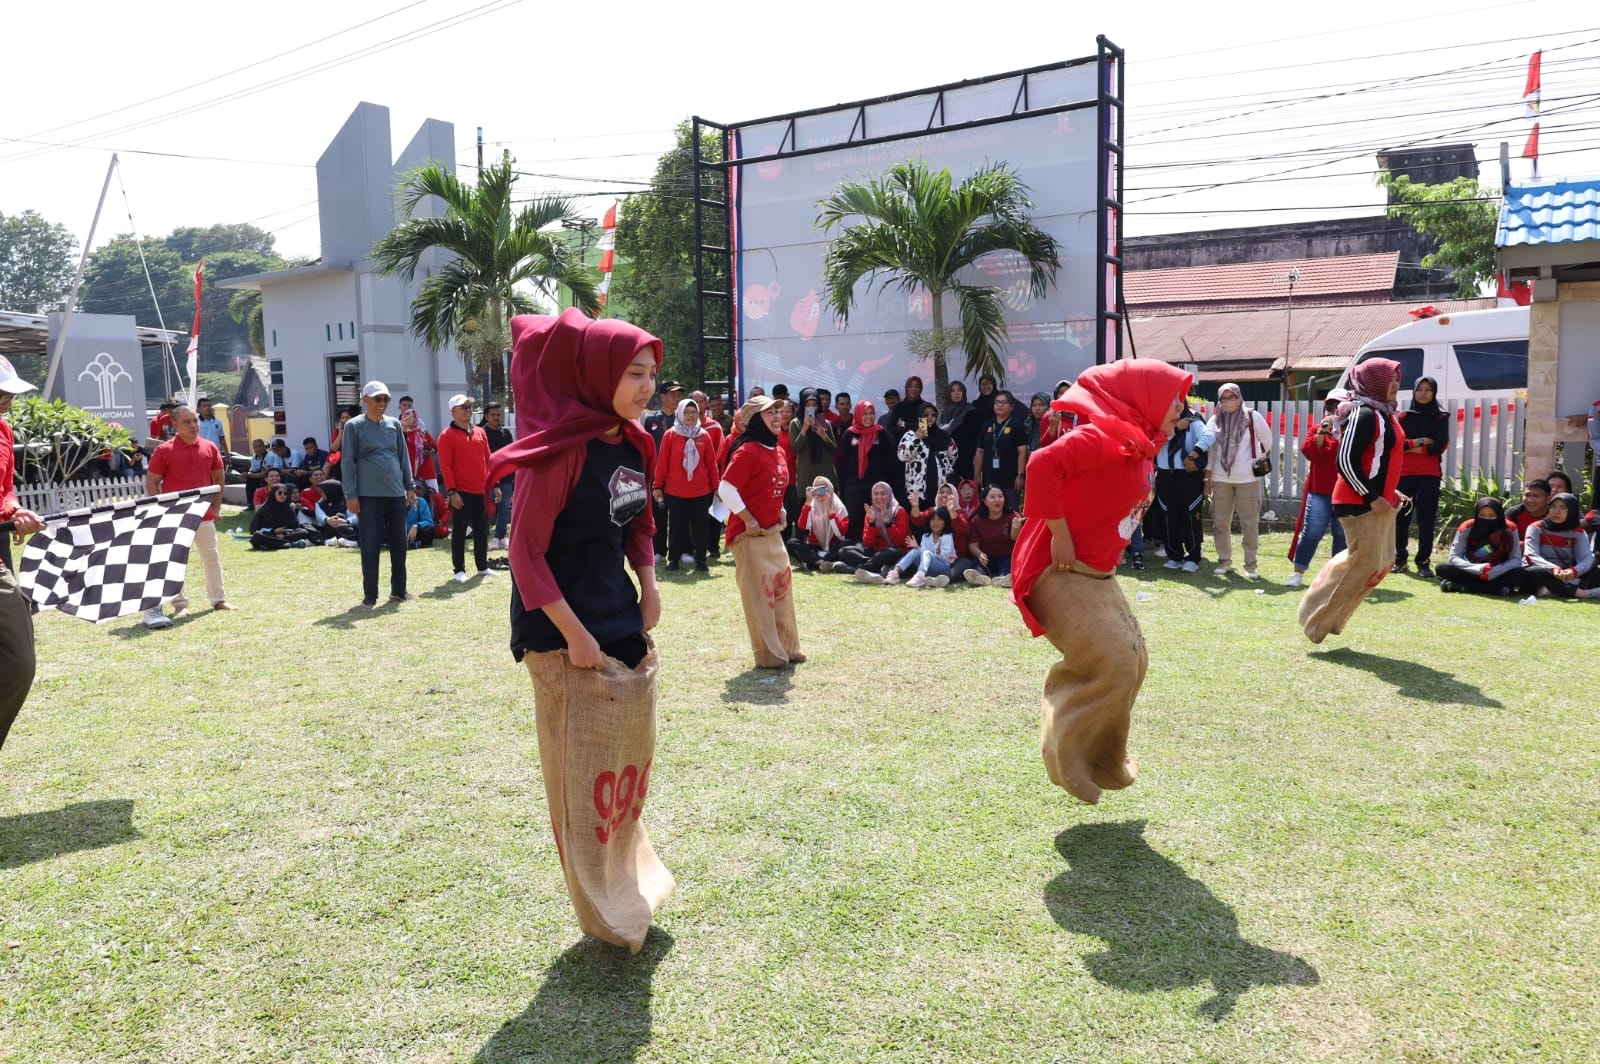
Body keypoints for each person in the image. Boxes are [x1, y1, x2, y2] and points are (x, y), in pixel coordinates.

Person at [486, 308, 671, 954]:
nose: (647, 387)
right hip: (559, 628)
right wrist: (574, 634)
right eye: (633, 373)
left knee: (624, 766)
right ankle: (605, 907)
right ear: (596, 375)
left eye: (651, 374)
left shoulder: (633, 443)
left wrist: (648, 585)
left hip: (615, 613)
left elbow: (639, 523)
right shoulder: (559, 453)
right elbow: (524, 554)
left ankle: (629, 877)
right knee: (582, 778)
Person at [1010, 359, 1190, 804]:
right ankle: (1068, 761)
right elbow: (1040, 465)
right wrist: (1061, 538)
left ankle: (1105, 760)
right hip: (1060, 570)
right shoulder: (1105, 437)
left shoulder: (1141, 442)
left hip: (1097, 573)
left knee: (1135, 661)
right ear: (1145, 398)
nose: (1182, 406)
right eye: (1174, 397)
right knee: (1113, 663)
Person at [1298, 358, 1406, 644]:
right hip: (1358, 501)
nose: (1395, 384)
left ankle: (1331, 620)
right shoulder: (1365, 414)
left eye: (1397, 378)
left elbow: (1382, 461)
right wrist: (1372, 497)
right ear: (1374, 383)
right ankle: (1315, 620)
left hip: (1378, 500)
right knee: (1364, 562)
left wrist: (1391, 492)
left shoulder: (1386, 414)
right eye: (1389, 379)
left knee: (1376, 562)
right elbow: (1346, 461)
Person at [718, 395, 805, 668]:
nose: (778, 416)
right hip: (750, 537)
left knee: (782, 591)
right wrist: (748, 520)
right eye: (769, 413)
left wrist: (778, 508)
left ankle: (789, 648)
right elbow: (726, 489)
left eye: (778, 411)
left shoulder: (776, 449)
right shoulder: (747, 450)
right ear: (756, 419)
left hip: (772, 532)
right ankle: (770, 656)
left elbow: (776, 484)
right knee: (761, 598)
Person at [142, 404, 234, 629]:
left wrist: (217, 508)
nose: (194, 425)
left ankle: (218, 600)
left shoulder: (210, 447)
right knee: (176, 561)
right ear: (174, 425)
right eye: (187, 422)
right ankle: (180, 604)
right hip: (175, 516)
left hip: (204, 515)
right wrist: (162, 510)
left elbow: (218, 480)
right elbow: (152, 482)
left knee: (211, 556)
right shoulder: (164, 450)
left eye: (195, 421)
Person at [0, 356, 45, 754]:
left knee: (18, 662)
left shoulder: (4, 429)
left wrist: (15, 511)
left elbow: (6, 488)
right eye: (2, 394)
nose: (8, 402)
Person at [345, 381, 414, 607]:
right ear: (366, 399)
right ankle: (370, 595)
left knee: (399, 543)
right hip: (368, 495)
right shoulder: (354, 426)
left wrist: (409, 486)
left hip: (395, 492)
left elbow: (403, 457)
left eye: (386, 399)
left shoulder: (394, 425)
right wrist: (351, 494)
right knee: (370, 545)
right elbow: (347, 462)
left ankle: (399, 590)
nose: (382, 403)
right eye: (378, 399)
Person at [1204, 383, 1272, 578]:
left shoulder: (1252, 417)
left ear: (1239, 397)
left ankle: (1251, 564)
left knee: (1250, 522)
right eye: (1223, 399)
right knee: (1220, 522)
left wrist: (1252, 457)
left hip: (1248, 479)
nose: (1228, 402)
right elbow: (1209, 450)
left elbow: (1267, 441)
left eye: (1231, 397)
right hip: (1220, 478)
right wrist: (1207, 478)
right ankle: (1224, 560)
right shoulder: (1214, 420)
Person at [1286, 397, 1348, 587]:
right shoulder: (1317, 429)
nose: (1333, 411)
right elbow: (1310, 451)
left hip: (1346, 492)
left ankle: (1337, 578)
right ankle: (1298, 573)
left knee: (1342, 535)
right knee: (1312, 532)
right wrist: (1323, 430)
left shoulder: (1352, 430)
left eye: (1338, 407)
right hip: (1320, 490)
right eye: (1330, 407)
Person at [437, 393, 499, 584]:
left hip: (480, 490)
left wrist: (494, 484)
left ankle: (482, 566)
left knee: (482, 529)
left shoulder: (480, 432)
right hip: (461, 491)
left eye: (469, 406)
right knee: (460, 530)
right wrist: (452, 491)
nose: (468, 410)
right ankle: (459, 569)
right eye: (463, 407)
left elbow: (488, 459)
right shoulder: (446, 436)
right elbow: (445, 466)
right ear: (453, 411)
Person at [653, 398, 717, 572]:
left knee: (701, 528)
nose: (690, 416)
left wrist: (716, 487)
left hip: (701, 491)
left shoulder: (703, 435)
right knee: (676, 527)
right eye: (687, 412)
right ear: (680, 413)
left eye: (693, 412)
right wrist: (657, 486)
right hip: (675, 491)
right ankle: (673, 559)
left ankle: (701, 560)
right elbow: (662, 463)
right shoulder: (671, 435)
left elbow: (711, 464)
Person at [1394, 376, 1449, 577]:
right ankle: (1400, 559)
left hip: (1430, 474)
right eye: (1420, 389)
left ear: (1434, 393)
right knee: (1401, 517)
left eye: (1428, 389)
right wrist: (1421, 441)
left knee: (1426, 520)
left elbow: (1439, 446)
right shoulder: (1402, 417)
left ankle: (1423, 562)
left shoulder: (1441, 418)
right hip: (1404, 473)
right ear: (1414, 392)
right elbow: (1398, 445)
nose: (1423, 393)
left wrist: (1413, 447)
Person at [1154, 398, 1212, 573]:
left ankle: (1193, 556)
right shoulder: (1158, 421)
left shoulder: (1192, 419)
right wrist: (1174, 429)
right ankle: (1174, 555)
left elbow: (1209, 436)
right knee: (1167, 516)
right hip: (1165, 474)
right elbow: (1152, 440)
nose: (1176, 406)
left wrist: (1194, 455)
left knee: (1190, 516)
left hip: (1187, 475)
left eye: (1178, 402)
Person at [1437, 497, 1523, 595]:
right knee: (1442, 568)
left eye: (1491, 516)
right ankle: (1496, 590)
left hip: (1498, 571)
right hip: (1470, 569)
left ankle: (1463, 588)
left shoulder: (1510, 528)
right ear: (1476, 515)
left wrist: (1494, 571)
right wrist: (1477, 569)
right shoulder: (1467, 527)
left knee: (1520, 574)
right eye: (1482, 515)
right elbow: (1454, 557)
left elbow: (1516, 559)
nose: (1487, 519)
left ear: (1499, 516)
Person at [838, 400, 897, 541]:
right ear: (858, 414)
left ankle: (874, 544)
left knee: (876, 515)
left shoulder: (880, 433)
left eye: (871, 413)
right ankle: (853, 545)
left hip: (876, 484)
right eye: (864, 414)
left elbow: (888, 454)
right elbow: (845, 456)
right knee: (855, 514)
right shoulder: (849, 434)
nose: (868, 417)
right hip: (854, 484)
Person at [1521, 492, 1596, 598]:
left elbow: (1587, 558)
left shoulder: (1577, 532)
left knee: (1596, 571)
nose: (1556, 511)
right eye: (1553, 506)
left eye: (1563, 508)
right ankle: (1580, 593)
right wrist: (1553, 569)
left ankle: (1554, 590)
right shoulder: (1535, 528)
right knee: (1535, 572)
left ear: (1571, 511)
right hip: (1544, 570)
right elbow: (1531, 555)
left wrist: (1574, 571)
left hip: (1565, 573)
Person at [643, 381, 683, 562]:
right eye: (672, 394)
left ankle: (682, 550)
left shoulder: (683, 419)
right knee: (658, 514)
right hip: (656, 475)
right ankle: (659, 550)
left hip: (678, 475)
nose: (676, 398)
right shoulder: (652, 420)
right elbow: (645, 447)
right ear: (662, 396)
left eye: (678, 394)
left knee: (679, 514)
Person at [954, 484, 1020, 586]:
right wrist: (979, 554)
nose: (997, 500)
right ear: (985, 501)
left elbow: (1016, 539)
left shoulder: (1013, 516)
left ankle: (1004, 578)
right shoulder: (976, 520)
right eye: (992, 497)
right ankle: (980, 578)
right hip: (986, 557)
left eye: (1000, 496)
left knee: (1007, 565)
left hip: (1006, 555)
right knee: (978, 566)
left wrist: (1016, 528)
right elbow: (973, 544)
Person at [844, 481, 912, 582]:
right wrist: (872, 523)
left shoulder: (899, 511)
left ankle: (857, 569)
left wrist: (887, 522)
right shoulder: (870, 513)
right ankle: (875, 568)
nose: (879, 497)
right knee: (844, 551)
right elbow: (868, 543)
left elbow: (899, 541)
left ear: (889, 495)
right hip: (876, 553)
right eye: (876, 494)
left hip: (896, 552)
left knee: (888, 553)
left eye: (883, 494)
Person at [973, 390, 1027, 502]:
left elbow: (1022, 452)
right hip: (989, 478)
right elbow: (980, 451)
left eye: (1003, 402)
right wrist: (977, 474)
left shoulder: (1016, 425)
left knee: (1011, 512)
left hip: (1010, 480)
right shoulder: (987, 425)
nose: (1000, 405)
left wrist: (1020, 475)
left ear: (1011, 407)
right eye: (997, 402)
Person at [788, 476, 851, 572]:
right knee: (792, 543)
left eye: (823, 487)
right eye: (816, 488)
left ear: (829, 488)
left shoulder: (839, 507)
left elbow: (840, 533)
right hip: (815, 548)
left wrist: (829, 508)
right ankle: (820, 562)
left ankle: (812, 562)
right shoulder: (811, 505)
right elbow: (802, 526)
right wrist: (808, 501)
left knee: (846, 546)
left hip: (833, 547)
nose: (819, 490)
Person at [886, 505, 959, 587]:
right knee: (914, 551)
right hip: (927, 568)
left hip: (943, 568)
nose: (935, 523)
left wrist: (938, 551)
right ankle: (895, 573)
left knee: (926, 552)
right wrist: (917, 547)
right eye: (933, 520)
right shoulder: (926, 536)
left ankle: (920, 577)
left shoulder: (947, 537)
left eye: (939, 520)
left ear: (945, 522)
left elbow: (945, 558)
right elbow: (923, 553)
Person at [479, 401, 515, 550]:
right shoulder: (481, 433)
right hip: (487, 479)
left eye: (498, 414)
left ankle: (499, 537)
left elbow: (512, 455)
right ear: (486, 416)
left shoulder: (506, 433)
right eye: (493, 415)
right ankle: (482, 537)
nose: (496, 417)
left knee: (504, 508)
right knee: (486, 509)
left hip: (506, 477)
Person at [790, 389, 837, 499]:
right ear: (802, 406)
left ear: (818, 406)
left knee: (827, 511)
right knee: (808, 511)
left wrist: (823, 435)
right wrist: (805, 428)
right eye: (808, 405)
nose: (811, 408)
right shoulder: (796, 423)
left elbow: (834, 449)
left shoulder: (825, 423)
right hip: (807, 476)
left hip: (825, 474)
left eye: (814, 405)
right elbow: (796, 448)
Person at [939, 380, 982, 481]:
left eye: (959, 390)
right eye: (953, 391)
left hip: (966, 459)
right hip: (948, 459)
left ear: (964, 392)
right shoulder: (945, 412)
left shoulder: (971, 411)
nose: (956, 393)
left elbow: (977, 437)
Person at [249, 484, 314, 549]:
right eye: (280, 493)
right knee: (257, 536)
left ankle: (275, 544)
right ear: (274, 494)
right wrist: (273, 531)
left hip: (285, 535)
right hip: (269, 535)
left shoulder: (288, 509)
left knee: (304, 532)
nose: (283, 495)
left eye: (285, 493)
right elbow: (256, 528)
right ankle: (288, 544)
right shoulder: (264, 509)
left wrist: (284, 534)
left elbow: (295, 527)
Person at [400, 410, 439, 494]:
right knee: (413, 502)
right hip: (410, 474)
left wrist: (431, 451)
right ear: (404, 419)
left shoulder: (423, 432)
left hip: (428, 472)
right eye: (409, 417)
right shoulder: (401, 434)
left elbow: (435, 446)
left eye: (414, 417)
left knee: (434, 498)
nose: (412, 419)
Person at [404, 480, 437, 549]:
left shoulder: (421, 501)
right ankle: (411, 543)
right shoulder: (395, 503)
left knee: (431, 530)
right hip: (400, 532)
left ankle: (409, 543)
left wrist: (417, 526)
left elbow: (428, 521)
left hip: (416, 533)